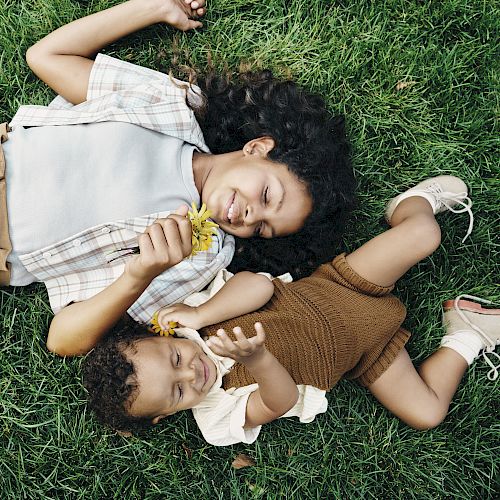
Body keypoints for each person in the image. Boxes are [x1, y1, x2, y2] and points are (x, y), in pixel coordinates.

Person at [0, 0, 354, 355]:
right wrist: (155, 8)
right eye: (265, 195)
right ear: (258, 147)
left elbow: (63, 340)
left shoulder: (198, 255)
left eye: (262, 228)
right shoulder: (174, 107)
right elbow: (47, 56)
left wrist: (138, 275)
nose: (249, 217)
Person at [83, 175, 499, 446]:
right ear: (165, 416)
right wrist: (258, 360)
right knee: (427, 412)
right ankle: (465, 331)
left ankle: (410, 204)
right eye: (177, 391)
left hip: (340, 286)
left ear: (159, 336)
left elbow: (259, 284)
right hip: (366, 353)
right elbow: (277, 402)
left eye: (175, 359)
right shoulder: (216, 417)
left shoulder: (193, 318)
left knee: (424, 233)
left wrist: (204, 315)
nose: (193, 373)